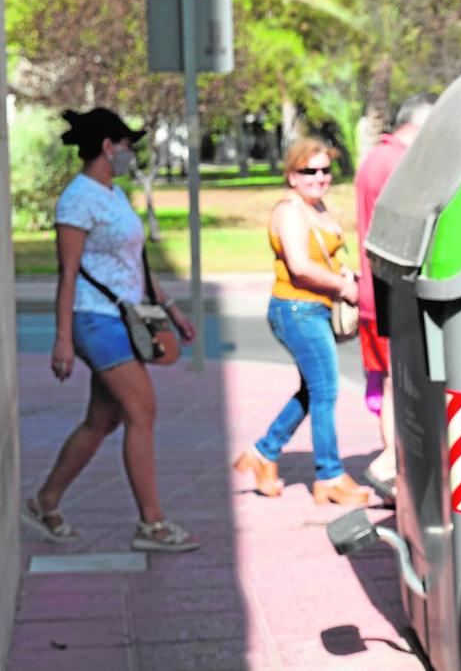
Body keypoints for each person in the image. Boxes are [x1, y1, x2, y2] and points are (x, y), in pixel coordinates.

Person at [21, 107, 199, 552]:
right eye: (125, 145)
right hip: (93, 319)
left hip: (125, 317)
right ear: (106, 146)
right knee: (143, 411)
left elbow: (133, 263)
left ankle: (46, 501)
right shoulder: (78, 199)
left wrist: (171, 308)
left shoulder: (114, 195)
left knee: (104, 418)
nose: (128, 153)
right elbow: (68, 273)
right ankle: (152, 525)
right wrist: (61, 338)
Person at [233, 137, 370, 505]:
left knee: (314, 389)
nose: (319, 177)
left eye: (325, 170)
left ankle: (263, 454)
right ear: (292, 175)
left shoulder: (317, 207)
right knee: (325, 390)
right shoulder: (290, 211)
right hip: (296, 310)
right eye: (309, 171)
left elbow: (323, 257)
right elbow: (299, 265)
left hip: (314, 308)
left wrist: (346, 275)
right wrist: (344, 286)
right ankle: (329, 476)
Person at [354, 94, 435, 501]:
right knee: (396, 384)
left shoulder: (374, 158)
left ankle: (390, 463)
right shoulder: (398, 163)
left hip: (373, 289)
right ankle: (388, 464)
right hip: (389, 291)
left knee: (388, 380)